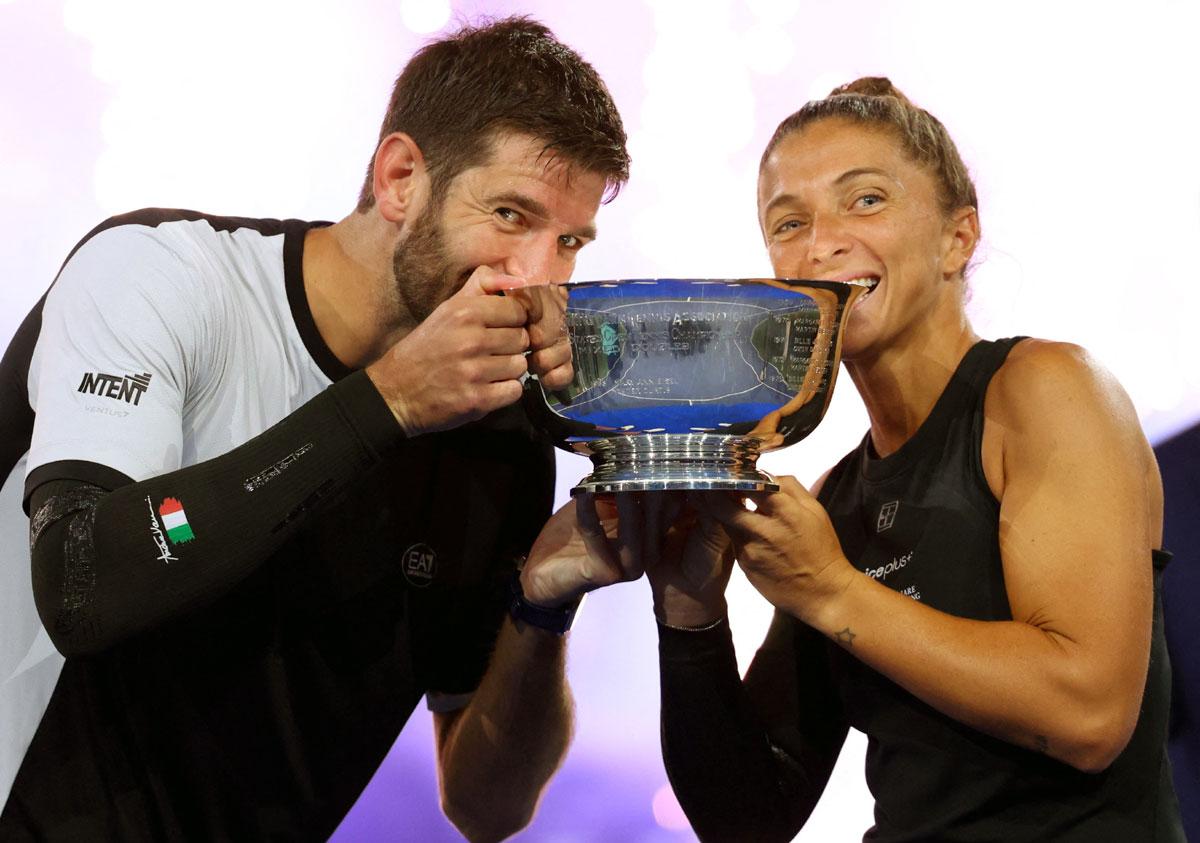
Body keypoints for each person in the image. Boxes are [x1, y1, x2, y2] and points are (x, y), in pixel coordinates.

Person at [0, 17, 632, 840]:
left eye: (570, 241)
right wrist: (384, 404)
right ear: (401, 177)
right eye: (512, 214)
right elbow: (84, 581)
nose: (539, 275)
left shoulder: (496, 435)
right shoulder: (159, 275)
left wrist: (543, 610)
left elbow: (486, 808)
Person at [581, 78, 1184, 840]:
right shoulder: (842, 500)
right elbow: (749, 817)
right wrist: (691, 611)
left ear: (957, 238)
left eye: (865, 200)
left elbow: (1089, 711)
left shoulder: (1048, 390)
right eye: (787, 220)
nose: (821, 243)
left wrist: (833, 590)